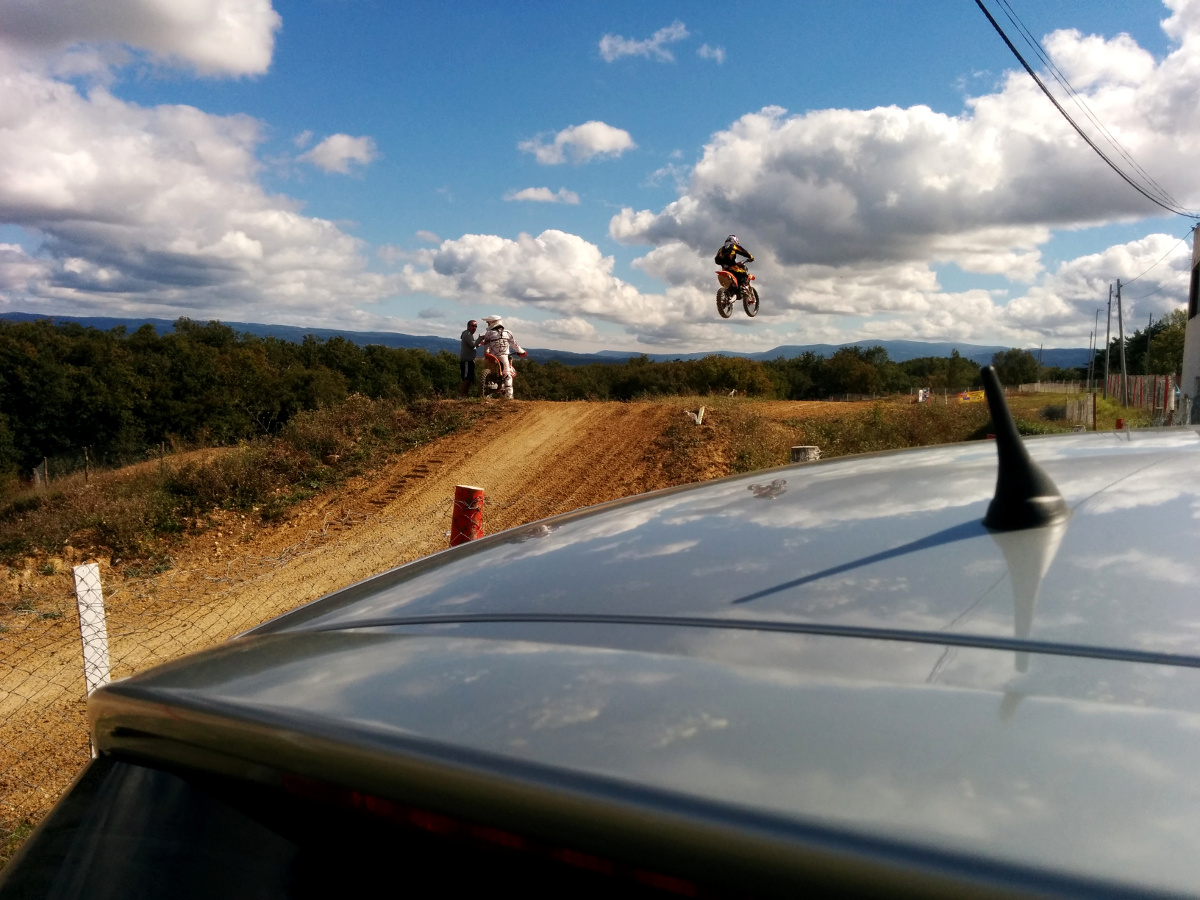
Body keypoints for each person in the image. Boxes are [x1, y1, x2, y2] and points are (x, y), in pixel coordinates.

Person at [478, 316, 526, 400]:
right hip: (504, 356)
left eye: (488, 322)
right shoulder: (508, 333)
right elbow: (515, 345)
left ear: (492, 322)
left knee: (491, 369)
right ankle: (509, 396)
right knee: (507, 374)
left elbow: (486, 345)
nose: (488, 324)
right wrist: (522, 352)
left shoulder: (488, 333)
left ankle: (490, 386)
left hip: (492, 356)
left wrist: (486, 353)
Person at [458, 319, 482, 398]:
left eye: (476, 326)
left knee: (469, 379)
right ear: (468, 326)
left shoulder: (469, 334)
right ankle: (462, 395)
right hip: (466, 360)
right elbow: (472, 344)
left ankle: (465, 395)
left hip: (470, 361)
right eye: (473, 326)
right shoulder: (467, 334)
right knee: (466, 379)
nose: (474, 328)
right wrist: (480, 338)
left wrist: (480, 343)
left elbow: (472, 346)